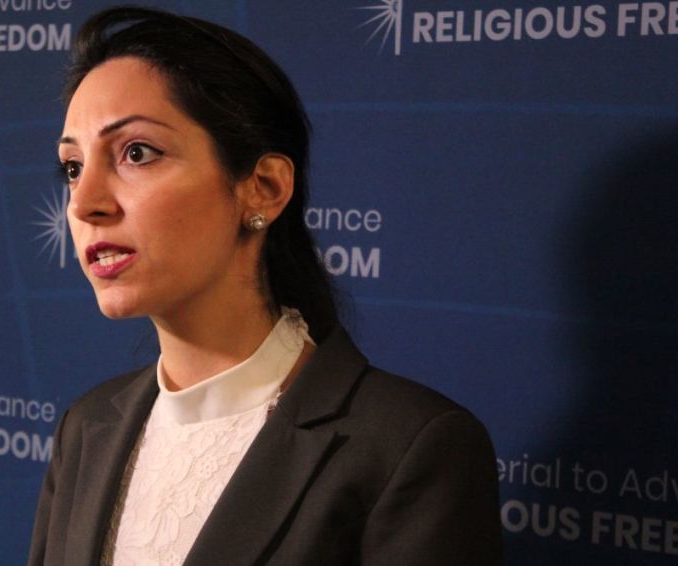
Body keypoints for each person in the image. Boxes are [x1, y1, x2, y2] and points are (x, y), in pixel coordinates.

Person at [29, 6, 502, 565]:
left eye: (137, 153)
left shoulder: (410, 449)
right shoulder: (86, 429)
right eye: (72, 167)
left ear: (264, 188)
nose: (84, 204)